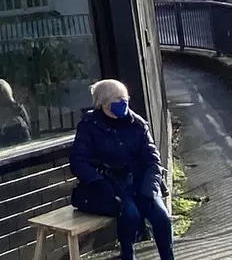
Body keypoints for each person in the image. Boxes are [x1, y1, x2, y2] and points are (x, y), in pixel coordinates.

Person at [70, 79, 174, 260]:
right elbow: (78, 161)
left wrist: (148, 190)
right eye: (117, 99)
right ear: (103, 103)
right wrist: (98, 182)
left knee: (161, 216)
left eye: (125, 97)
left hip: (141, 181)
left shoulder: (138, 124)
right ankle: (127, 254)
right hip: (112, 184)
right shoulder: (89, 126)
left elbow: (153, 161)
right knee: (130, 214)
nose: (123, 102)